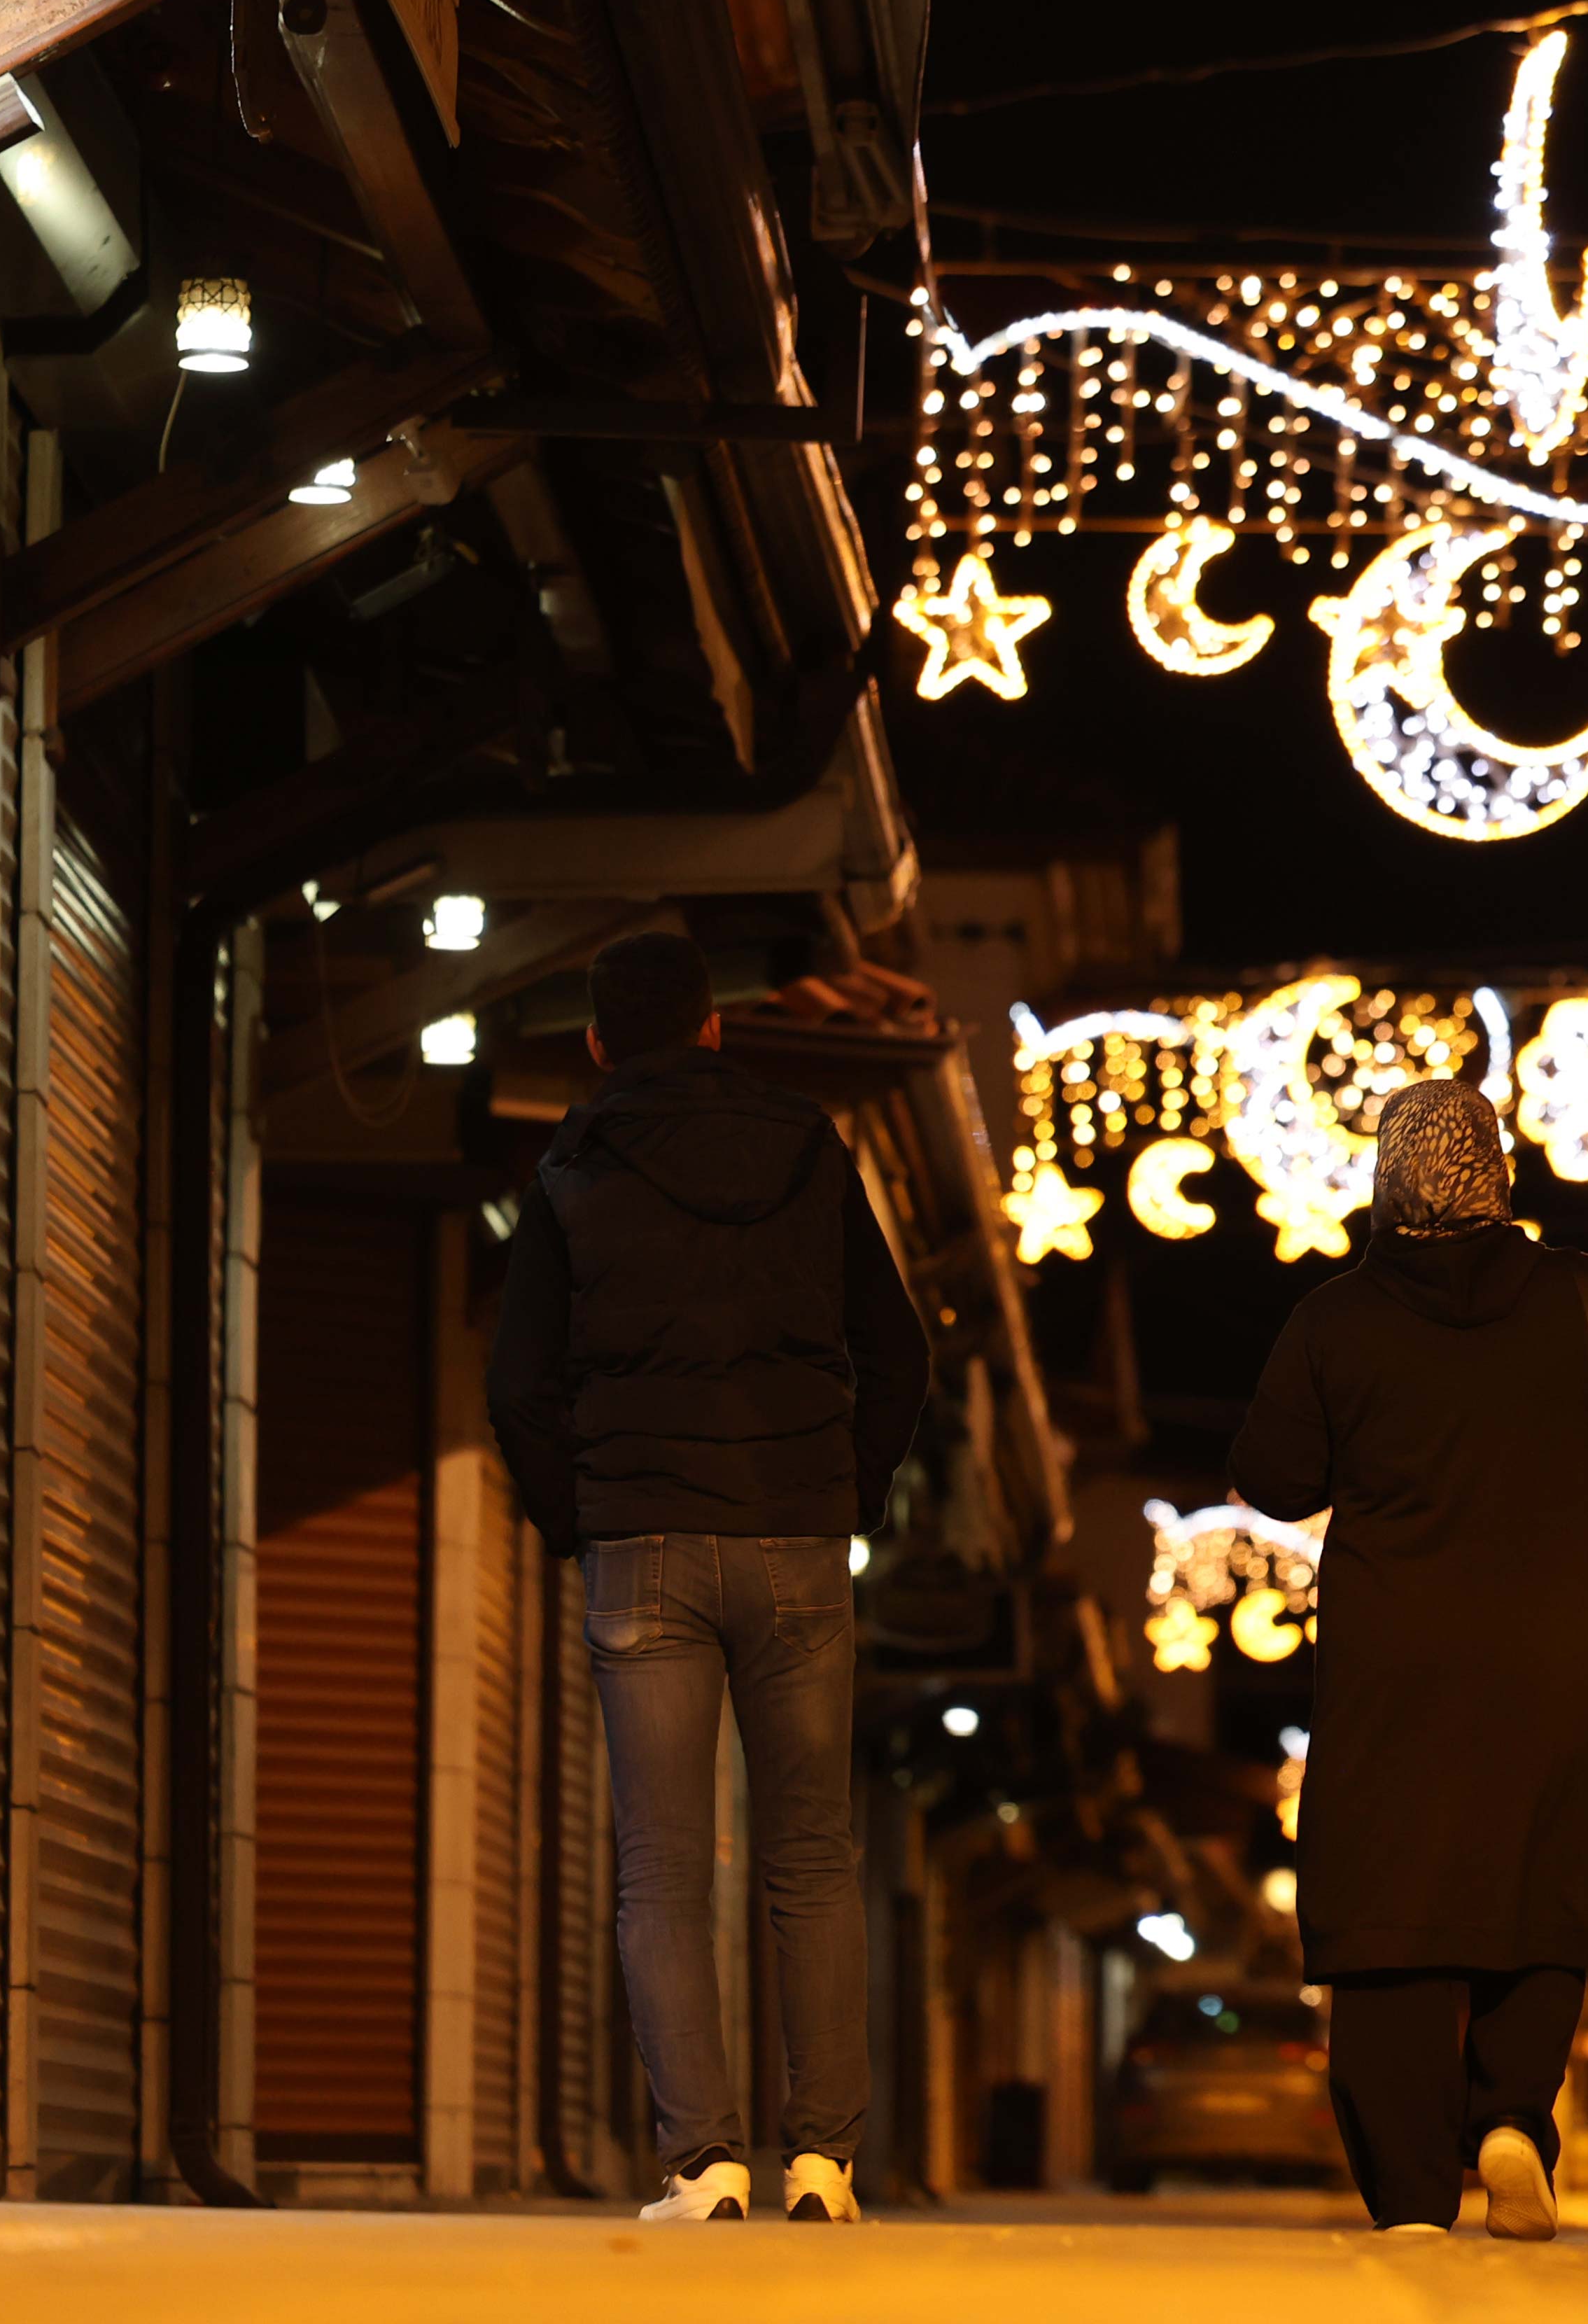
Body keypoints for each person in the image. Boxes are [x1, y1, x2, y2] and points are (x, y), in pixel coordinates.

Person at [489, 927, 929, 2223]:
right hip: (797, 1532)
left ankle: (703, 2164)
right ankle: (826, 2164)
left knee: (662, 1867)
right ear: (718, 1026)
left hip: (644, 1542)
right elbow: (895, 1351)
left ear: (596, 1042)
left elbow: (517, 1384)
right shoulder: (809, 1150)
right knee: (812, 1853)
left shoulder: (571, 1164)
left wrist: (583, 1518)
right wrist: (848, 1493)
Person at [1227, 1079, 1588, 2240]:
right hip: (1556, 1654)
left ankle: (1407, 2196)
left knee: (1393, 1906)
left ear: (1386, 1182)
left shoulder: (1334, 1320)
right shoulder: (1587, 1299)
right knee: (1539, 1889)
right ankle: (1510, 2122)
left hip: (1395, 1662)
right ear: (1498, 1174)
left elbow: (1276, 1477)